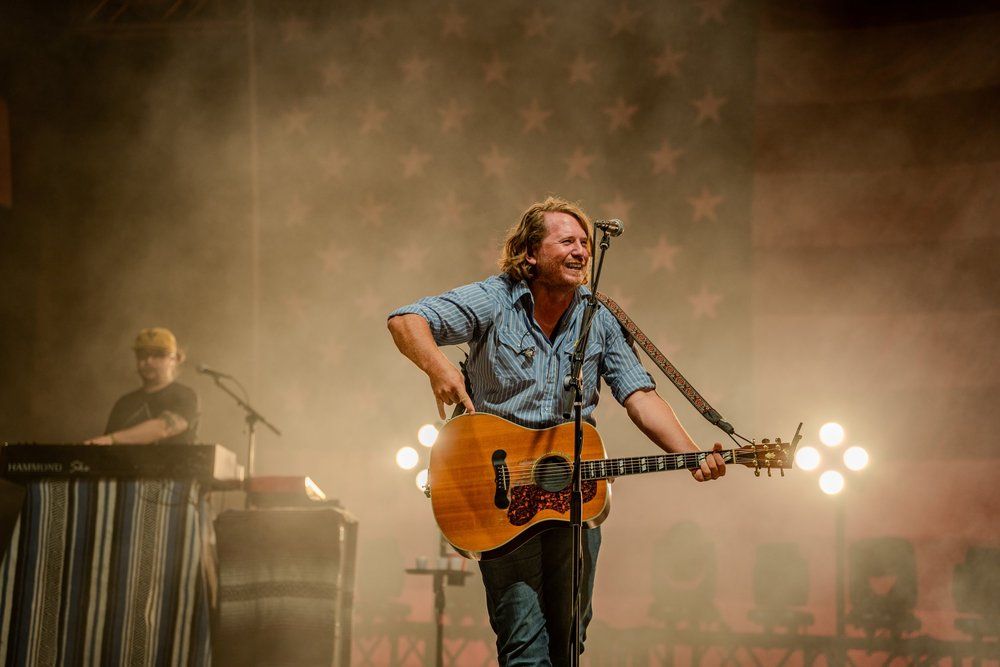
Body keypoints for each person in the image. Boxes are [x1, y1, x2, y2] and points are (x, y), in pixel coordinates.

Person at [387, 196, 727, 665]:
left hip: (574, 497)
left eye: (586, 242)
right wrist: (439, 368)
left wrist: (691, 453)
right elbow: (406, 320)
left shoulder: (599, 317)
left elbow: (639, 396)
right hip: (497, 495)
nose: (582, 250)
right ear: (530, 253)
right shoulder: (496, 297)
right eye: (567, 240)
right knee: (525, 648)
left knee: (569, 647)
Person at [85, 327, 200, 445]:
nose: (148, 361)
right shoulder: (124, 403)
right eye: (142, 355)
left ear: (174, 359)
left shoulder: (185, 395)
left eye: (157, 355)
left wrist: (112, 439)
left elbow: (163, 428)